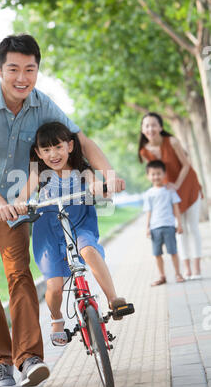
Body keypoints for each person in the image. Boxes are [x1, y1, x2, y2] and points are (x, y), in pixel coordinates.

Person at [0, 34, 125, 387]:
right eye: (14, 69)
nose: (22, 77)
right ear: (0, 70)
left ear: (37, 71)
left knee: (19, 274)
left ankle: (29, 358)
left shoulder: (43, 104)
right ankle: (1, 363)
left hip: (18, 201)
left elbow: (81, 140)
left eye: (30, 69)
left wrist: (108, 174)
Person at [13, 122, 128, 346]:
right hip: (49, 231)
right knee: (54, 287)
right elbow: (22, 196)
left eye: (58, 147)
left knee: (88, 250)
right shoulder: (39, 173)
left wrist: (102, 187)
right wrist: (18, 204)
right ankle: (57, 319)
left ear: (71, 146)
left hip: (79, 224)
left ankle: (113, 300)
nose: (53, 154)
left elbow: (97, 187)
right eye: (46, 150)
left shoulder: (82, 170)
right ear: (38, 153)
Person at [138, 112, 202, 281]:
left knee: (192, 227)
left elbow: (187, 164)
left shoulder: (172, 141)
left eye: (154, 125)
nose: (150, 129)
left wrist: (177, 185)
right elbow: (155, 172)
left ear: (160, 127)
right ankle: (186, 268)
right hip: (169, 192)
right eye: (147, 126)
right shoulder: (144, 151)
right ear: (143, 129)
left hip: (187, 186)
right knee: (180, 230)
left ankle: (197, 267)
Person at [143, 160, 184, 286]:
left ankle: (178, 274)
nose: (156, 176)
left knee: (173, 251)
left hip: (169, 226)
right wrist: (147, 227)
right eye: (153, 174)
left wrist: (179, 224)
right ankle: (162, 276)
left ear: (164, 174)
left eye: (158, 173)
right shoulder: (149, 193)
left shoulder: (170, 191)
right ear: (148, 176)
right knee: (157, 254)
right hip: (155, 227)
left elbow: (176, 207)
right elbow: (148, 211)